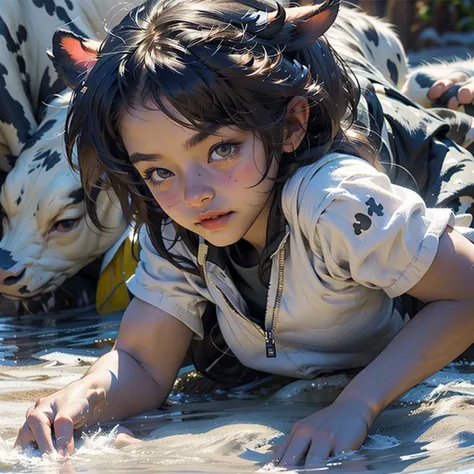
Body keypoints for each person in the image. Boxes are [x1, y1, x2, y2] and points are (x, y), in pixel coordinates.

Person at [14, 0, 474, 469]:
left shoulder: (334, 201)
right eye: (157, 171)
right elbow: (141, 362)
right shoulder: (177, 227)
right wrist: (77, 400)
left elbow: (467, 292)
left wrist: (359, 404)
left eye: (222, 149)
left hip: (415, 183)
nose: (193, 194)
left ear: (292, 125)